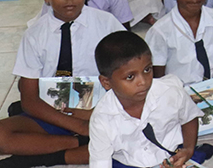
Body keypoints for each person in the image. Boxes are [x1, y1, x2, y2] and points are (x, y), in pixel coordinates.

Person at [0, 0, 125, 168]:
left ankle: (47, 156)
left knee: (131, 135)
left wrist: (93, 114)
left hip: (100, 110)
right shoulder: (34, 34)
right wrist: (78, 126)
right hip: (54, 112)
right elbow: (29, 100)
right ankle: (79, 144)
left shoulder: (108, 25)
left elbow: (127, 77)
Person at [88, 31, 205, 168]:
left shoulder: (170, 92)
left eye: (147, 70)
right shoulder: (102, 118)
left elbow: (189, 117)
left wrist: (188, 149)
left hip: (171, 153)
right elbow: (100, 163)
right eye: (130, 77)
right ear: (106, 82)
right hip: (128, 164)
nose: (143, 82)